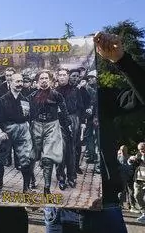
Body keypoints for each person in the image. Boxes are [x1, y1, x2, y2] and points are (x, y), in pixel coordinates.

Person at [44, 32, 145, 232]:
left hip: (103, 204)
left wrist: (121, 60)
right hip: (59, 208)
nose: (70, 75)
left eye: (75, 71)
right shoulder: (45, 96)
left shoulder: (101, 95)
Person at [128, 142, 145, 223]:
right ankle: (144, 212)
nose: (141, 151)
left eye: (142, 149)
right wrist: (130, 159)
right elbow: (130, 162)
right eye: (140, 149)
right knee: (137, 195)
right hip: (138, 179)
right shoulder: (138, 155)